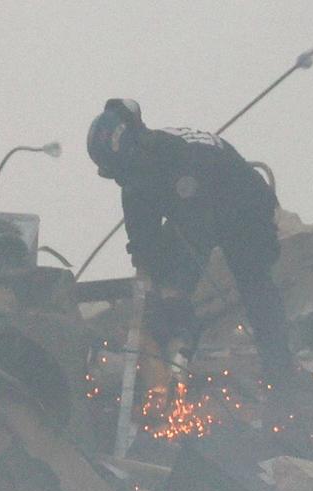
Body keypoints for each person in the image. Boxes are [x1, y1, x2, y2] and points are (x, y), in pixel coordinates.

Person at [86, 98, 295, 391]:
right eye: (118, 174)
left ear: (137, 148)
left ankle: (281, 374)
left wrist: (176, 292)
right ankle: (168, 352)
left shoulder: (178, 158)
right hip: (196, 210)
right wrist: (146, 285)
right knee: (164, 284)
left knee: (253, 279)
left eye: (126, 169)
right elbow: (143, 241)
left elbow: (197, 233)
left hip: (245, 207)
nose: (125, 179)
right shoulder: (134, 178)